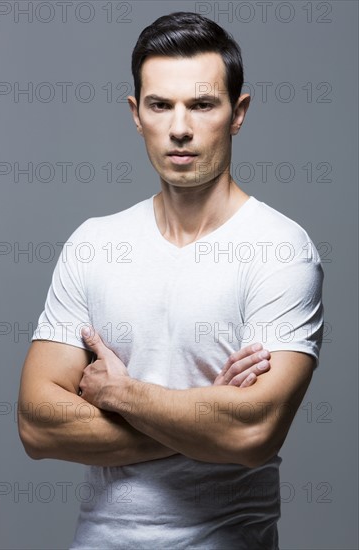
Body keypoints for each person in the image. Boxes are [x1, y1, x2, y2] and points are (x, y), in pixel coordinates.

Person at [18, 11, 324, 549]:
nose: (180, 127)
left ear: (238, 112)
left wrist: (121, 394)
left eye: (202, 104)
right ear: (137, 114)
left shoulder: (281, 248)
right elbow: (37, 426)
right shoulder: (94, 243)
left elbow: (253, 433)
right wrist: (204, 415)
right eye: (161, 105)